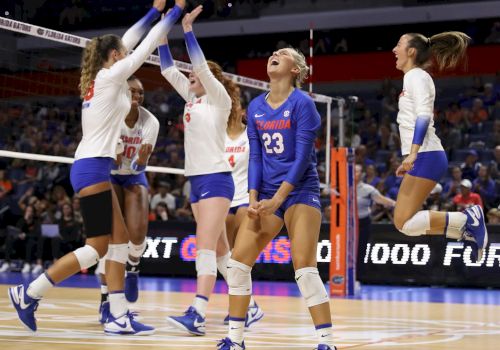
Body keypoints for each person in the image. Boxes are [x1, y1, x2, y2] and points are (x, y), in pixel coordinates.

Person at [8, 0, 185, 335]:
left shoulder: (104, 76)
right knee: (96, 247)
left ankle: (118, 315)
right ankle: (29, 293)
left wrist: (152, 11)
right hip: (91, 168)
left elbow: (129, 41)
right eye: (121, 52)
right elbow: (143, 47)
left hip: (93, 167)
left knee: (116, 243)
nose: (125, 52)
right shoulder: (109, 77)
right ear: (115, 57)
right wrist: (174, 13)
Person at [217, 46, 337, 350]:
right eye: (272, 52)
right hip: (265, 194)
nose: (273, 54)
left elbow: (301, 159)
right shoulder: (255, 107)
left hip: (300, 191)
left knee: (305, 269)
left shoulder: (303, 104)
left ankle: (326, 342)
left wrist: (277, 198)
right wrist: (254, 198)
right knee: (237, 265)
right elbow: (255, 157)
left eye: (282, 54)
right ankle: (235, 340)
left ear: (294, 69)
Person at [159, 5, 235, 336]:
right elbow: (165, 69)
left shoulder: (219, 99)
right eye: (189, 77)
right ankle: (251, 304)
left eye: (195, 75)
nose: (190, 77)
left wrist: (187, 29)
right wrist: (161, 34)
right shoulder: (192, 99)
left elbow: (200, 66)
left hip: (217, 179)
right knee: (220, 252)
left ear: (210, 79)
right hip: (197, 181)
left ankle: (198, 313)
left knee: (204, 248)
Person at [391, 31, 487, 263]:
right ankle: (464, 229)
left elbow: (424, 116)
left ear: (411, 51)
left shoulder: (416, 76)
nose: (394, 50)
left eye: (399, 44)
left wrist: (412, 154)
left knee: (404, 222)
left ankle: (467, 220)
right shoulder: (412, 77)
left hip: (426, 155)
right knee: (404, 225)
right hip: (424, 155)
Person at [96, 75, 160, 323]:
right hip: (109, 175)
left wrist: (140, 160)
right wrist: (121, 155)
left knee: (137, 234)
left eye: (140, 92)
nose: (137, 96)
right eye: (132, 91)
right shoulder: (111, 117)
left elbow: (138, 166)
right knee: (109, 240)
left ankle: (133, 265)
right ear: (122, 93)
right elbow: (113, 161)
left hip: (133, 176)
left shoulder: (150, 121)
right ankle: (105, 299)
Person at [221, 109, 264, 327]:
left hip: (246, 198)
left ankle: (244, 308)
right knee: (226, 260)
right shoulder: (217, 134)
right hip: (223, 199)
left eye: (236, 106)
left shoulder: (251, 134)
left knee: (240, 257)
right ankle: (250, 305)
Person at [355, 164, 395, 280]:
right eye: (353, 171)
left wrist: (396, 204)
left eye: (357, 171)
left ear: (361, 174)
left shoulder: (368, 189)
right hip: (346, 224)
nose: (355, 174)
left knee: (360, 251)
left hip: (363, 223)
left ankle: (357, 277)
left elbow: (382, 200)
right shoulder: (342, 187)